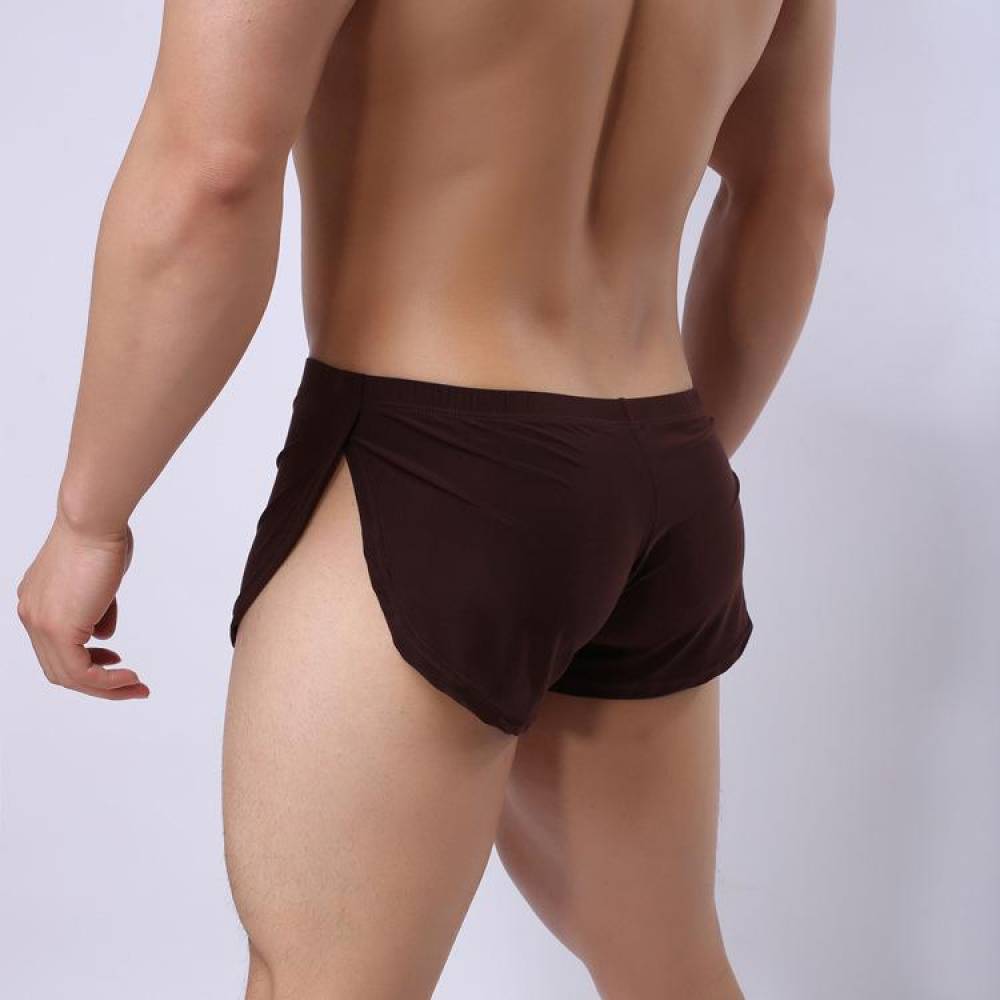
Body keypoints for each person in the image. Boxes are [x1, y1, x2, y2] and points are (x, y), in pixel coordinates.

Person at [15, 0, 835, 996]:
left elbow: (212, 173)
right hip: (664, 462)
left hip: (433, 462)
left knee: (317, 980)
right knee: (671, 973)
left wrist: (88, 519)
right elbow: (791, 193)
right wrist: (646, 490)